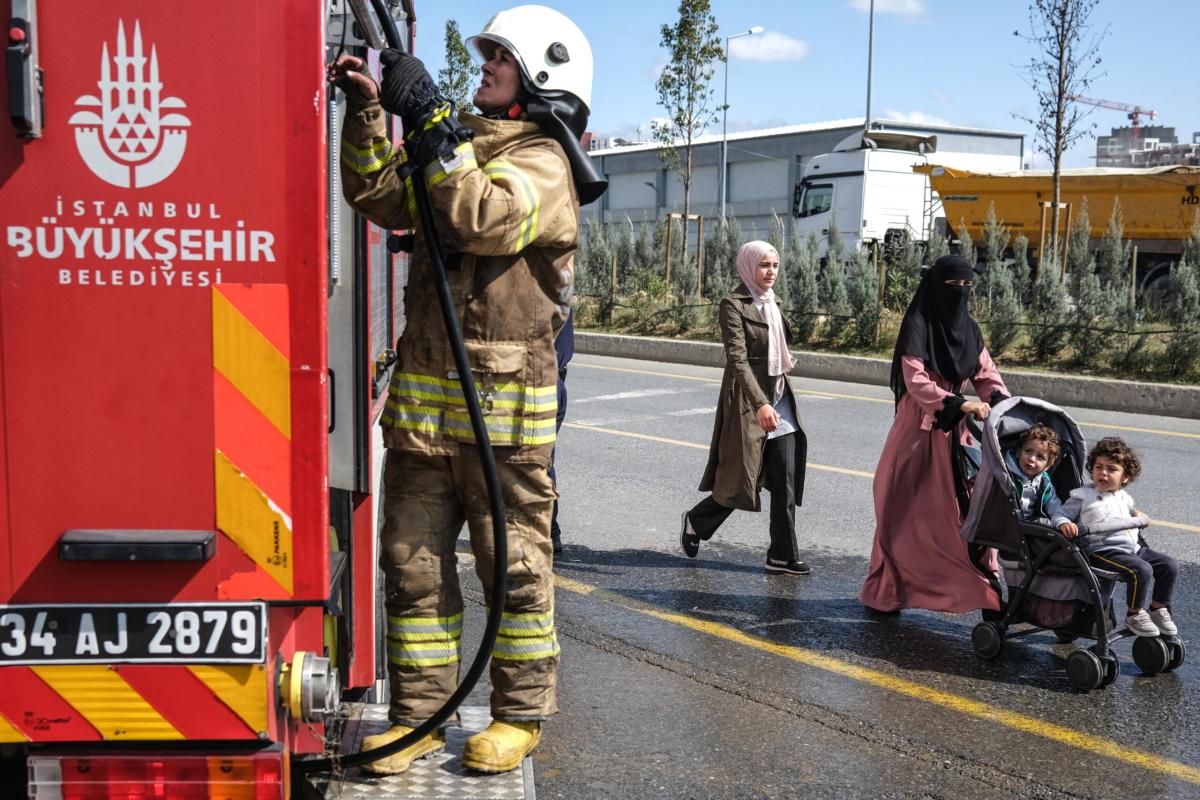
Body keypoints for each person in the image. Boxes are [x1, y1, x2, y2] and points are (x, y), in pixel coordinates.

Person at [327, 4, 606, 776]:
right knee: (413, 573)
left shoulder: (545, 165)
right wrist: (371, 114)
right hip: (421, 426)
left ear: (542, 78)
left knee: (514, 575)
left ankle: (520, 715)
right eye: (484, 54)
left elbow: (482, 217)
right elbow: (376, 196)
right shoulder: (461, 153)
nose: (483, 64)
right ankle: (417, 721)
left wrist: (433, 120)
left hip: (504, 430)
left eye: (499, 57)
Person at [860, 254, 1008, 615]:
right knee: (900, 509)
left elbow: (986, 374)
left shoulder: (969, 329)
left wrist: (1002, 403)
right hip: (917, 429)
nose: (960, 292)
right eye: (952, 286)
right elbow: (915, 380)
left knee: (961, 511)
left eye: (966, 285)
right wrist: (959, 403)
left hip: (954, 435)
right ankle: (889, 590)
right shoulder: (919, 323)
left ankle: (981, 587)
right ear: (936, 286)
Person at [681, 241, 810, 575]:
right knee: (742, 479)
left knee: (784, 478)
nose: (771, 272)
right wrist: (761, 403)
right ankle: (697, 520)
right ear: (748, 265)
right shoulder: (733, 304)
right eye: (764, 265)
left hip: (779, 396)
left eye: (776, 265)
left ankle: (782, 554)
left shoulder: (773, 303)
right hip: (747, 400)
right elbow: (738, 360)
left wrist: (776, 386)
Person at [1051, 437, 1179, 638]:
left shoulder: (1124, 497)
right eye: (1098, 467)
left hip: (1133, 548)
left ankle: (1157, 608)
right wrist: (1064, 523)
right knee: (1141, 570)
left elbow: (1128, 512)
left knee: (1169, 564)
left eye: (1111, 469)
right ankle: (1134, 613)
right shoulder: (1083, 495)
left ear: (1125, 477)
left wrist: (1137, 514)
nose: (1103, 472)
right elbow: (1060, 514)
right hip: (1102, 550)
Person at [549, 308, 575, 555]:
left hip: (541, 381)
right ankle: (549, 532)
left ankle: (547, 532)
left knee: (534, 463)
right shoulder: (557, 280)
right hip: (554, 381)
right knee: (542, 462)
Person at [1004, 423, 1066, 523]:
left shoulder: (1044, 482)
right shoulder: (1005, 472)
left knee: (1046, 523)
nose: (1032, 459)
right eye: (1028, 451)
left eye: (1040, 457)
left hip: (1029, 523)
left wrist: (1062, 521)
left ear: (1048, 465)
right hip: (1005, 520)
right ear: (1018, 452)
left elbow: (1054, 505)